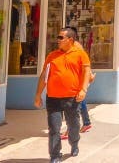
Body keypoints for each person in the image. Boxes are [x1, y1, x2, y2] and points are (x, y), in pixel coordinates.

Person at [34, 27, 91, 163]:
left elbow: (86, 73)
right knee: (54, 128)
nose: (57, 40)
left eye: (61, 37)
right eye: (58, 37)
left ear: (70, 40)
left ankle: (74, 143)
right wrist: (38, 94)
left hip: (72, 98)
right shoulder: (52, 56)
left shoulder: (80, 54)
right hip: (53, 98)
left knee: (74, 126)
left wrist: (83, 90)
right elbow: (44, 76)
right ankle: (55, 155)